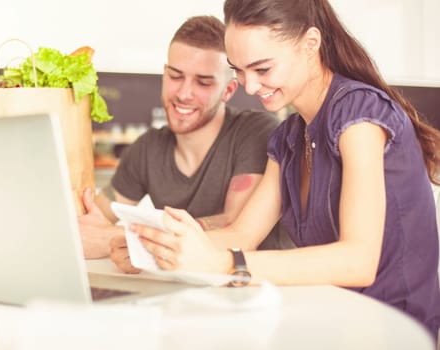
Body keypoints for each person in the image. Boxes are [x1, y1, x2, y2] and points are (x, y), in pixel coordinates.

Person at [131, 0, 440, 341]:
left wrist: (224, 264)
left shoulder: (359, 114)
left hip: (390, 332)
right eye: (238, 70)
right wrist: (152, 247)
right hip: (331, 324)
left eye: (262, 69)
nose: (248, 87)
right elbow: (241, 235)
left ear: (310, 44)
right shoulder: (288, 138)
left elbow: (358, 261)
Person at [78, 15, 290, 272]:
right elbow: (93, 222)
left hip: (256, 293)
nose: (183, 93)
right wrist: (93, 227)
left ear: (229, 90)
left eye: (203, 82)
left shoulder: (256, 132)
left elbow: (234, 227)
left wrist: (116, 238)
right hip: (185, 292)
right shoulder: (147, 149)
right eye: (175, 76)